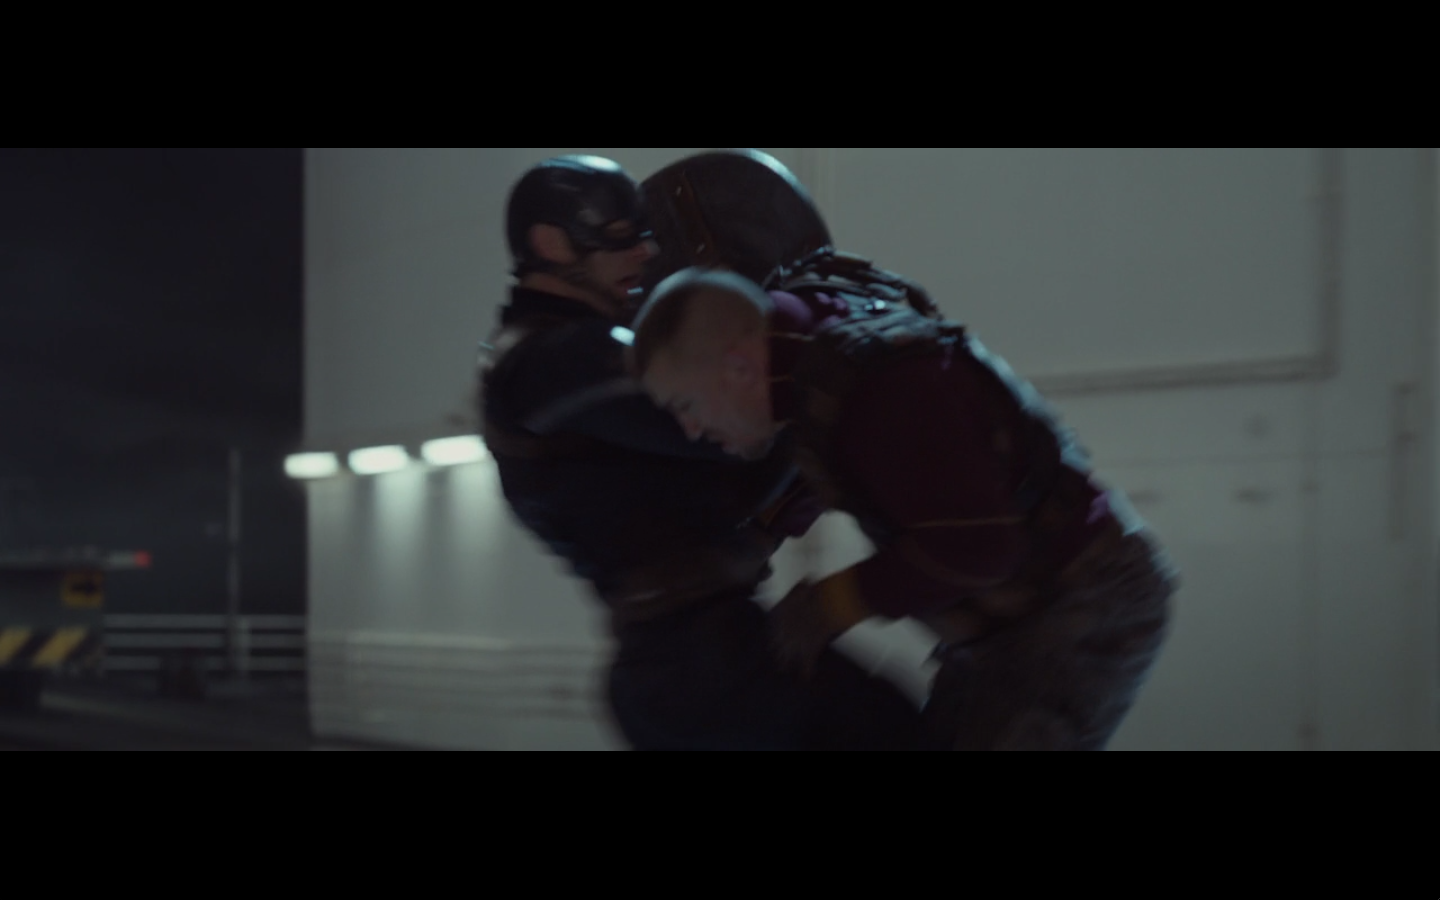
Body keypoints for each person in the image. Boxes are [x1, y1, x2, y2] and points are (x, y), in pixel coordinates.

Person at [625, 255, 1179, 751]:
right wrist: (748, 542)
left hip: (1081, 601)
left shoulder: (880, 390)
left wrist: (830, 605)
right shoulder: (806, 351)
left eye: (686, 405)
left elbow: (980, 548)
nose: (690, 430)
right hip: (1013, 619)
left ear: (739, 368)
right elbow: (837, 465)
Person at [476, 155, 927, 750]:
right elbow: (731, 430)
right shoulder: (548, 361)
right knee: (890, 729)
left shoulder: (560, 356)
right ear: (551, 244)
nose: (645, 252)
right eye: (620, 236)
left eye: (644, 234)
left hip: (700, 654)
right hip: (695, 667)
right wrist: (828, 348)